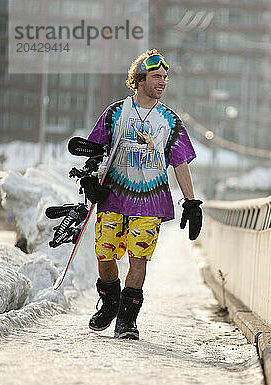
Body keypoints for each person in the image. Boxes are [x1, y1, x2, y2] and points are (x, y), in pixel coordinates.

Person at [85, 49, 203, 339]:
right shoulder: (116, 113)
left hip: (150, 200)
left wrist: (191, 201)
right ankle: (111, 302)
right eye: (156, 77)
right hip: (113, 195)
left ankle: (127, 320)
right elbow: (93, 150)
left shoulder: (169, 120)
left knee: (139, 258)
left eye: (165, 77)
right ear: (139, 79)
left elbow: (180, 162)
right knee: (105, 254)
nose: (162, 82)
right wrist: (90, 179)